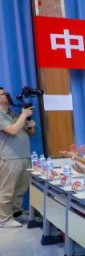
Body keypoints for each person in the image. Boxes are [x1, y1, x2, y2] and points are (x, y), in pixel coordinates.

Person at [0, 88, 35, 228]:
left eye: (7, 93)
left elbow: (30, 133)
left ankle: (17, 213)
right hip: (9, 157)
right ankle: (4, 219)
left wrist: (30, 125)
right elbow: (13, 131)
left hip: (24, 155)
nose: (7, 95)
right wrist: (24, 115)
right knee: (7, 191)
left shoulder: (13, 114)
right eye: (3, 94)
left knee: (20, 189)